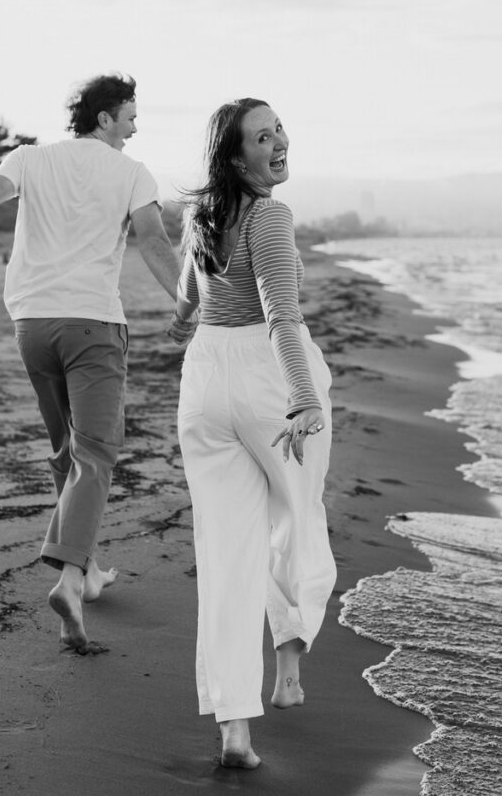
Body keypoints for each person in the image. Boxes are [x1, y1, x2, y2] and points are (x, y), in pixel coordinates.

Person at [0, 73, 181, 654]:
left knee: (67, 450)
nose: (136, 126)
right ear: (105, 116)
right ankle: (67, 578)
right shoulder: (133, 173)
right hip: (92, 325)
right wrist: (187, 303)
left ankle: (85, 574)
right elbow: (154, 242)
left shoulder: (29, 159)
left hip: (32, 325)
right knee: (97, 453)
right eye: (131, 115)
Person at [167, 97, 336, 768]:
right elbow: (281, 315)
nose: (278, 142)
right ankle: (288, 661)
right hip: (268, 380)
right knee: (299, 519)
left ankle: (235, 728)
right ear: (237, 158)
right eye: (261, 137)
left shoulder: (201, 212)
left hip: (204, 379)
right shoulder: (269, 214)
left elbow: (188, 294)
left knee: (226, 556)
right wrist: (301, 397)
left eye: (278, 129)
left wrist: (181, 322)